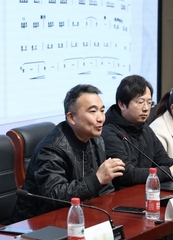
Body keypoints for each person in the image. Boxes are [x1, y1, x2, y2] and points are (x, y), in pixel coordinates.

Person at [11, 84, 125, 221]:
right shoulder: (51, 149)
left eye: (102, 110)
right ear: (71, 118)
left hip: (80, 215)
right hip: (39, 223)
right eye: (93, 111)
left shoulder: (96, 140)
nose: (101, 118)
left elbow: (105, 189)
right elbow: (54, 196)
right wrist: (96, 179)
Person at [102, 75, 173, 189]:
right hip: (121, 195)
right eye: (140, 102)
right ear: (122, 104)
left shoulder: (144, 128)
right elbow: (127, 175)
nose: (146, 108)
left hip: (146, 191)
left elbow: (161, 159)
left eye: (149, 103)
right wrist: (171, 170)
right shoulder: (109, 132)